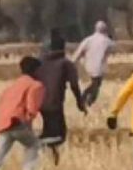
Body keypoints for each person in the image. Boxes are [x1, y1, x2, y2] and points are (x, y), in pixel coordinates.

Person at [0, 56, 45, 170]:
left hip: (3, 125)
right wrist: (28, 124)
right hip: (18, 124)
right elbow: (31, 109)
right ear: (36, 70)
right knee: (33, 145)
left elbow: (1, 105)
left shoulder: (12, 86)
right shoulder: (36, 85)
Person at [35, 28, 86, 165]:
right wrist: (80, 103)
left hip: (39, 104)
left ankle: (52, 161)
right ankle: (38, 144)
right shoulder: (65, 63)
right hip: (55, 103)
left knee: (49, 131)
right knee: (60, 135)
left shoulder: (38, 63)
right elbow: (74, 85)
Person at [72, 20, 115, 107]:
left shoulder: (88, 40)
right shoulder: (106, 41)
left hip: (88, 65)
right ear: (105, 29)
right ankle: (85, 99)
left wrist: (73, 62)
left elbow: (78, 52)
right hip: (99, 67)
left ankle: (87, 100)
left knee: (96, 84)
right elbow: (113, 47)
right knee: (96, 85)